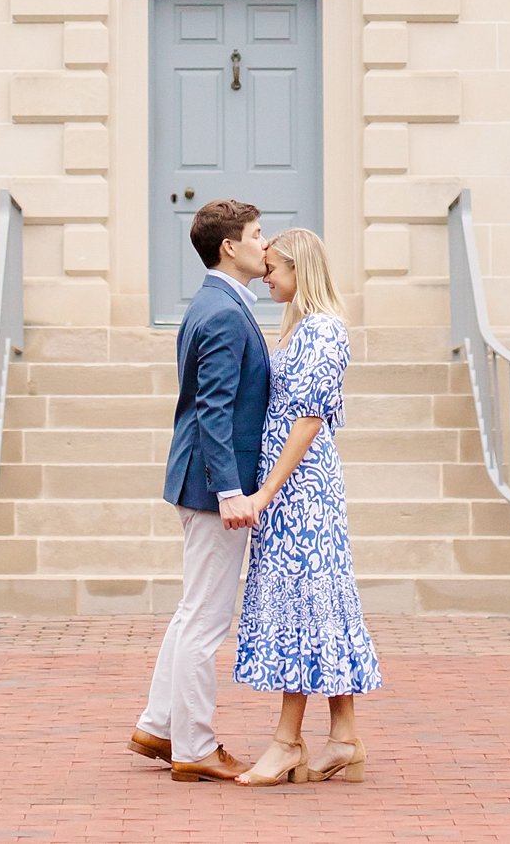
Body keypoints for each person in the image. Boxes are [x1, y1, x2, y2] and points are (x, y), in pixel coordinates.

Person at [231, 228, 381, 786]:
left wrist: (266, 492)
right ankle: (343, 736)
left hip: (301, 489)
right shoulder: (300, 328)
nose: (265, 275)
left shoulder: (323, 330)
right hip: (289, 484)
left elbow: (309, 420)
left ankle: (286, 741)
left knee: (303, 600)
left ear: (300, 270)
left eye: (273, 268)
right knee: (319, 600)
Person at [130, 198, 272, 783]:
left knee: (194, 610)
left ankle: (158, 725)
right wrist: (230, 491)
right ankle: (194, 747)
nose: (268, 244)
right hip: (213, 484)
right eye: (259, 235)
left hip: (202, 478)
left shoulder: (218, 303)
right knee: (207, 620)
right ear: (229, 248)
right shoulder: (220, 313)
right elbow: (213, 411)